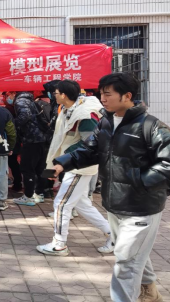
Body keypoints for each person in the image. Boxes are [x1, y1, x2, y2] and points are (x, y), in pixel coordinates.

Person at [52, 73, 170, 302]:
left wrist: (138, 182)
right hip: (114, 203)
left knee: (126, 261)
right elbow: (90, 149)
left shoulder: (151, 125)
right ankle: (149, 292)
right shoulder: (105, 121)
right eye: (101, 94)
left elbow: (169, 163)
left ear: (127, 96)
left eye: (108, 94)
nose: (103, 99)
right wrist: (63, 163)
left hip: (141, 206)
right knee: (132, 253)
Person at [36, 80, 113, 257]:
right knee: (82, 204)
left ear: (63, 95)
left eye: (55, 93)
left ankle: (59, 244)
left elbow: (89, 144)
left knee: (61, 204)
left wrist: (64, 161)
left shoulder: (85, 114)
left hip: (79, 166)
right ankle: (113, 235)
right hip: (73, 163)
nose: (53, 96)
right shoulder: (68, 109)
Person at [12, 90, 49, 206]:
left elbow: (25, 116)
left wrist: (13, 124)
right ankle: (39, 193)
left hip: (31, 139)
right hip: (42, 138)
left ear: (13, 93)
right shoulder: (32, 101)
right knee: (40, 167)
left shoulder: (21, 101)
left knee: (27, 168)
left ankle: (28, 196)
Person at [4, 91, 23, 192]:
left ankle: (17, 183)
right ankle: (17, 183)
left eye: (7, 95)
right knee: (13, 162)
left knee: (12, 162)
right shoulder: (17, 108)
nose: (6, 97)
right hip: (16, 138)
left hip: (10, 139)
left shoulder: (9, 109)